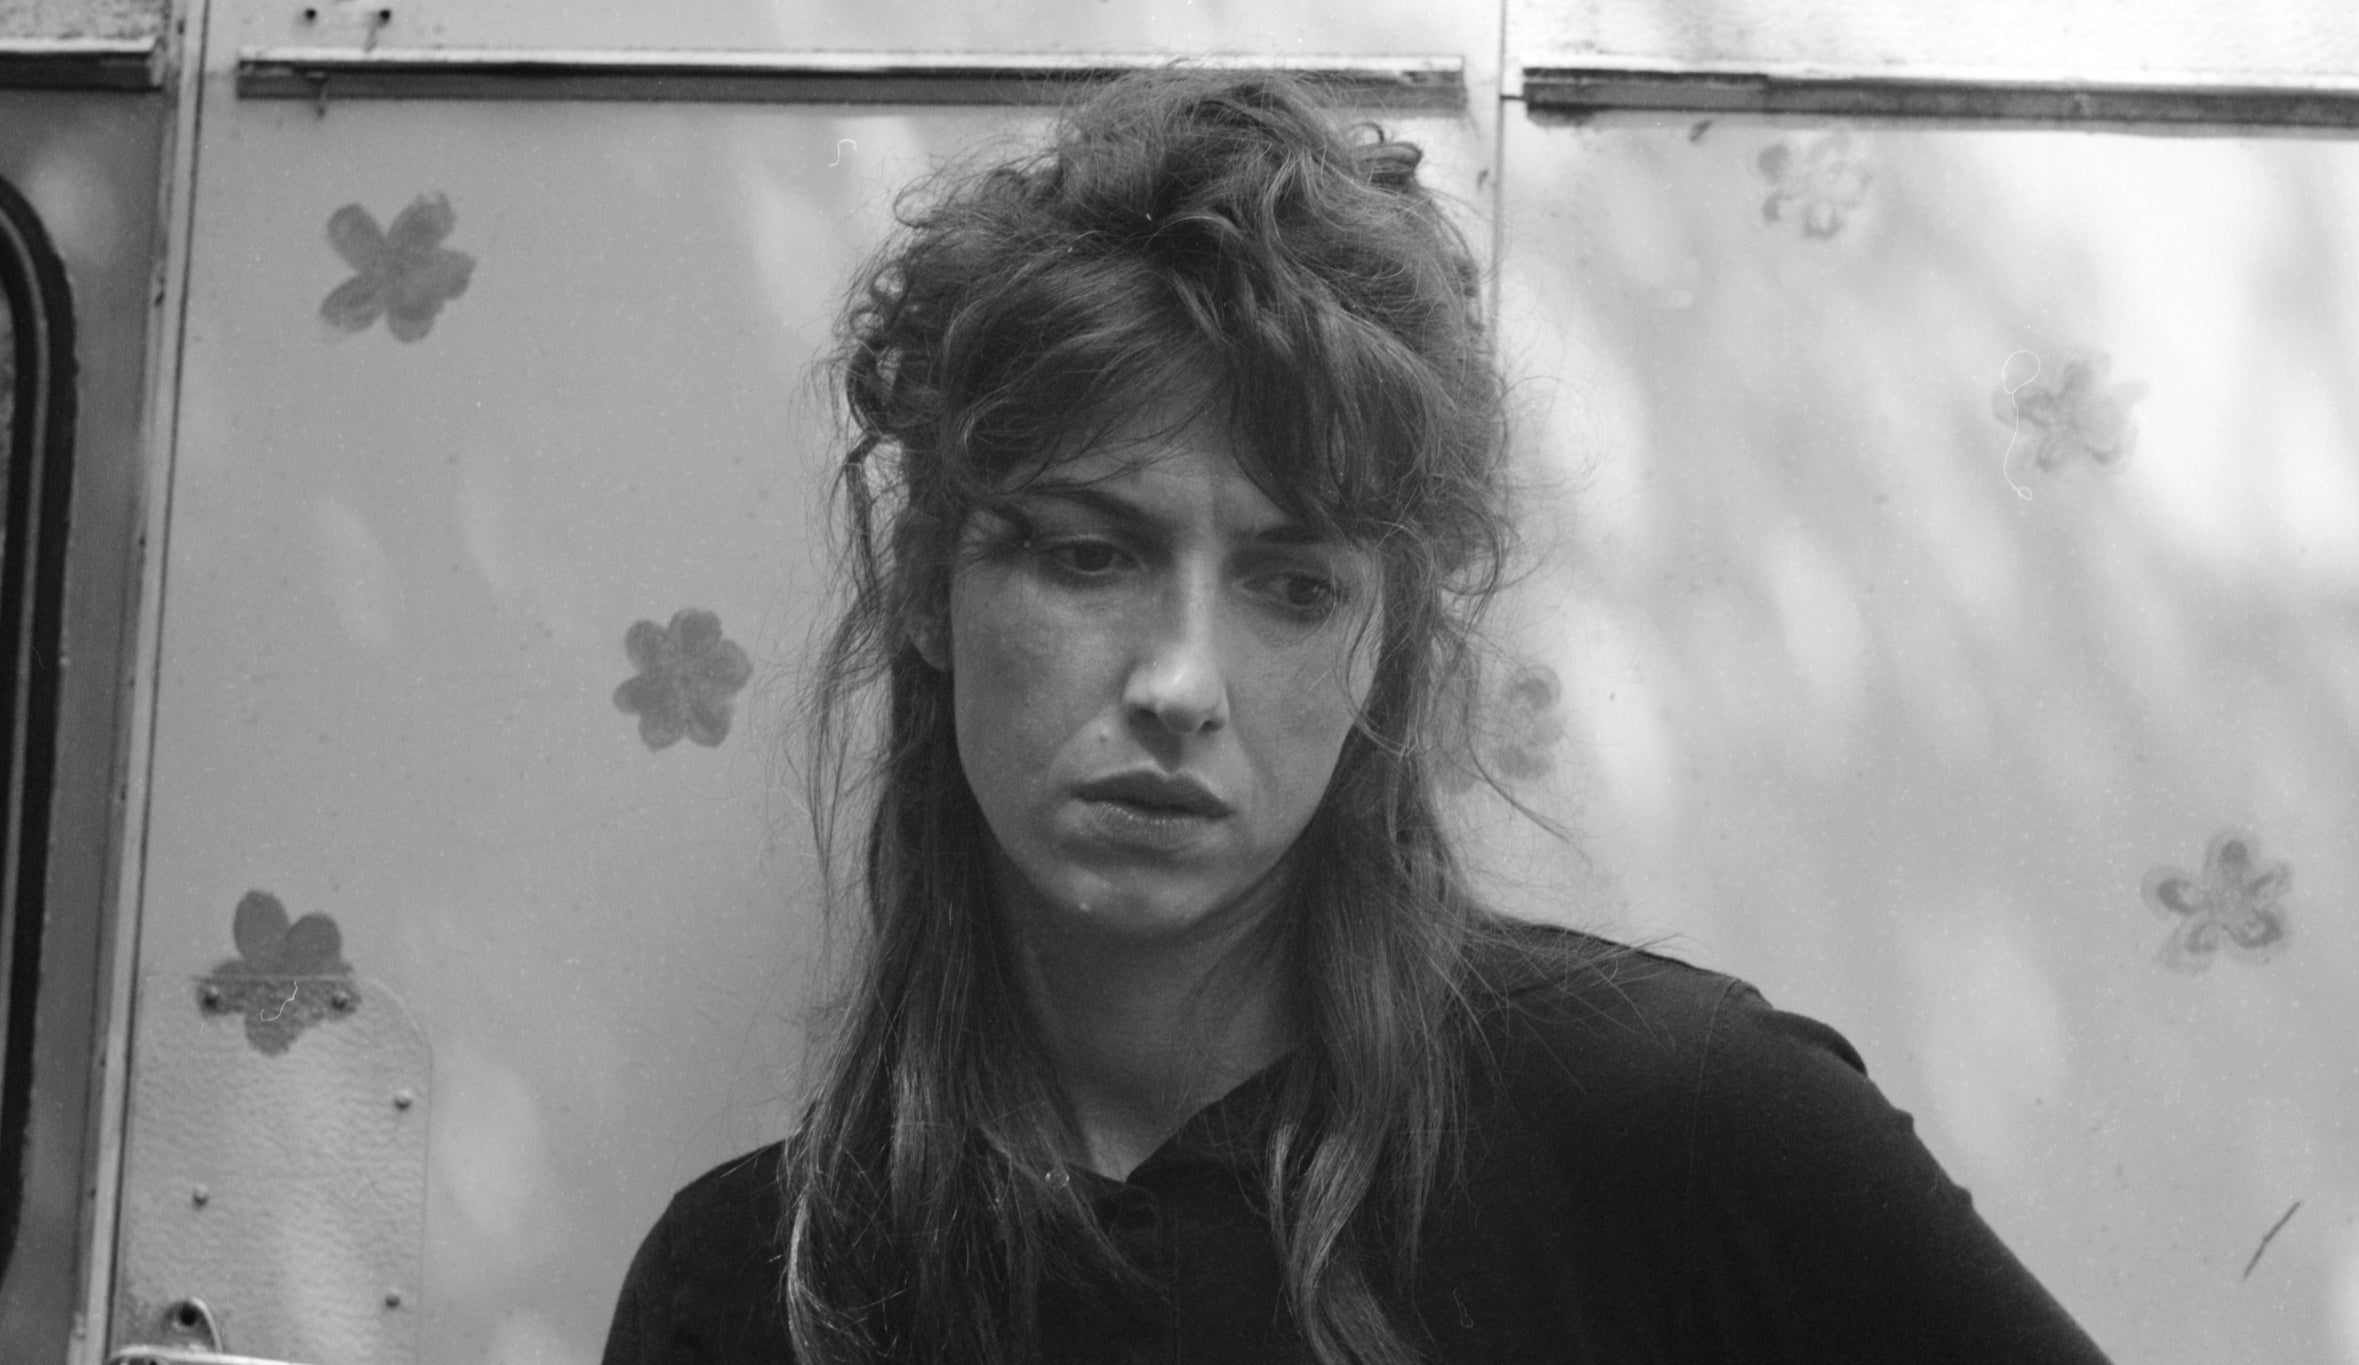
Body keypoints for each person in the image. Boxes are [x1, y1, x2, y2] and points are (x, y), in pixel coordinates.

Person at [601, 69, 2113, 1365]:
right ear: (929, 585)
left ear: (1384, 649)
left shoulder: (1692, 1128)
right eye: (1088, 554)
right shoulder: (747, 1290)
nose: (1179, 684)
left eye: (1293, 585)